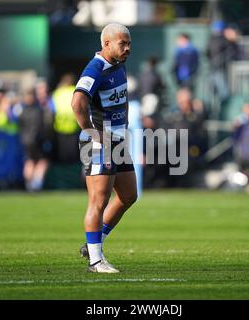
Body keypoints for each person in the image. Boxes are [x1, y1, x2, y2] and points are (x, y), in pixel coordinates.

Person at [71, 23, 137, 273]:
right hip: (101, 142)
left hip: (118, 141)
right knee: (98, 202)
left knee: (129, 195)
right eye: (123, 43)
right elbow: (77, 102)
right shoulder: (95, 67)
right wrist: (91, 133)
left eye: (129, 43)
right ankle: (96, 262)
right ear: (106, 44)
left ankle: (92, 246)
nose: (128, 48)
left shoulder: (119, 65)